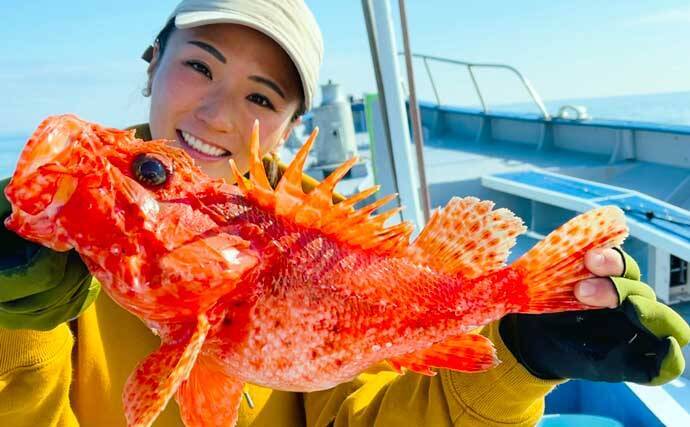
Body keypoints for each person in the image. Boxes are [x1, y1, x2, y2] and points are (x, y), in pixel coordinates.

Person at [0, 1, 688, 426]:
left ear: (290, 124)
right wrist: (12, 329)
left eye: (262, 98)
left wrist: (525, 358)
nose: (217, 113)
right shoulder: (70, 211)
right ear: (153, 64)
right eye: (200, 67)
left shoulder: (313, 249)